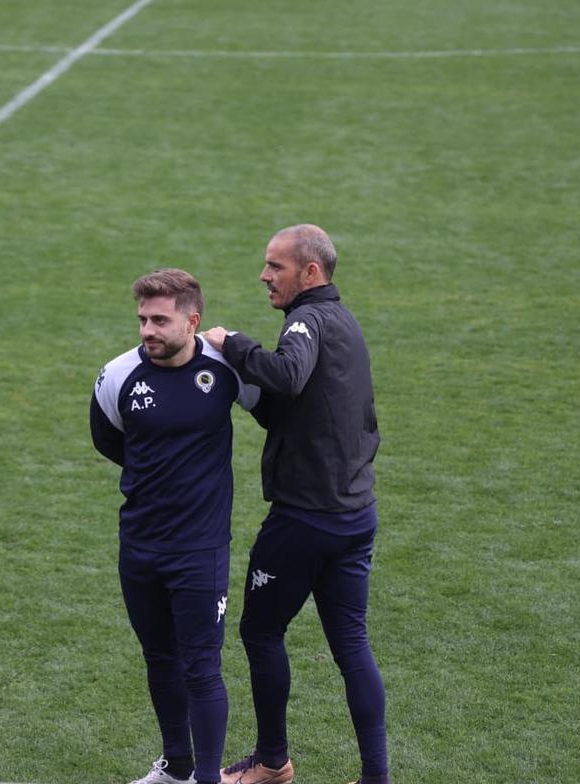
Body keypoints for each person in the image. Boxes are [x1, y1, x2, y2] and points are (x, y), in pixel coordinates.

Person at [202, 225, 388, 784]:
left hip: (305, 520)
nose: (264, 276)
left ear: (310, 272)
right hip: (356, 515)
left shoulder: (306, 320)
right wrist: (250, 398)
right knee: (351, 643)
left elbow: (287, 373)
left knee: (261, 633)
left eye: (275, 266)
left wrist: (232, 343)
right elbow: (305, 408)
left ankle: (271, 762)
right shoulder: (344, 321)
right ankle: (376, 777)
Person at [91, 269, 260, 784]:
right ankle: (177, 766)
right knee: (159, 657)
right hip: (140, 545)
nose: (148, 330)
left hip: (200, 549)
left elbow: (274, 408)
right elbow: (109, 440)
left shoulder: (226, 369)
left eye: (160, 320)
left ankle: (207, 778)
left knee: (201, 666)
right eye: (143, 319)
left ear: (193, 321)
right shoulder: (117, 375)